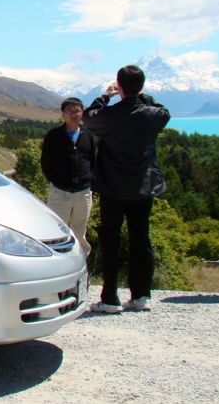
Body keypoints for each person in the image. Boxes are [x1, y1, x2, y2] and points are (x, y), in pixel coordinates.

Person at [83, 65, 170, 313]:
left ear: (118, 85)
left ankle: (109, 298)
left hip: (112, 187)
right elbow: (164, 111)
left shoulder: (109, 116)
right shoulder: (152, 115)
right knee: (141, 240)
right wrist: (140, 96)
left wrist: (106, 96)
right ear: (141, 87)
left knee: (110, 241)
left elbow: (90, 116)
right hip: (142, 187)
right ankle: (141, 295)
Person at [40, 97, 95, 256]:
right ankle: (56, 263)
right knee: (55, 230)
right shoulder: (53, 136)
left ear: (82, 113)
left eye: (77, 111)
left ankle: (81, 264)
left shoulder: (88, 136)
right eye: (70, 111)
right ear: (63, 114)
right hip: (59, 192)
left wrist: (88, 181)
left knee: (80, 232)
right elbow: (46, 162)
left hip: (83, 193)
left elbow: (93, 161)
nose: (74, 114)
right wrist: (54, 181)